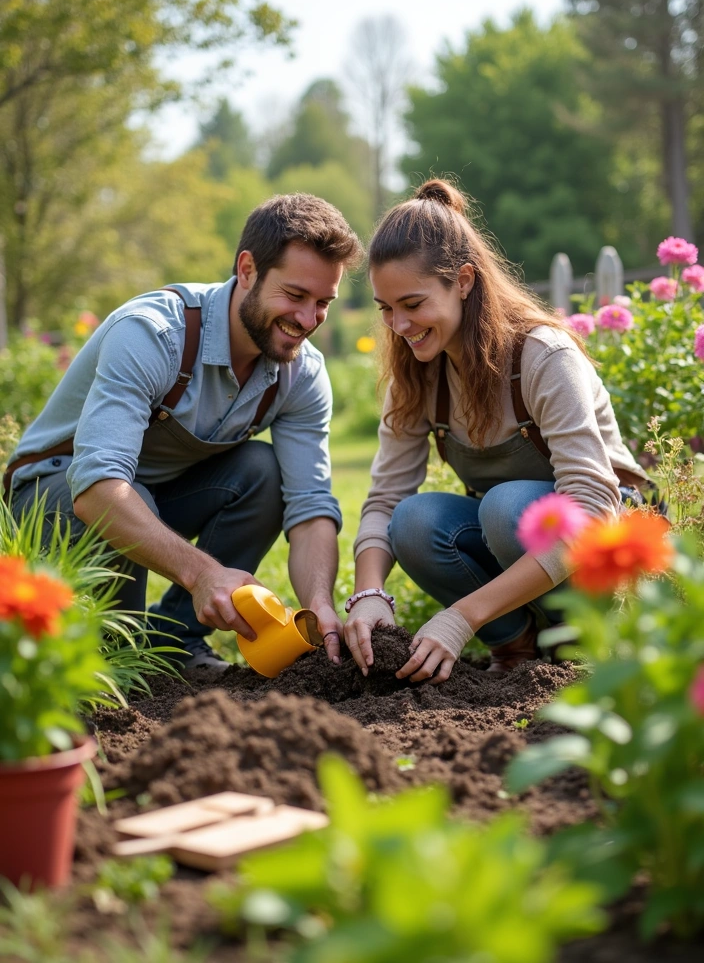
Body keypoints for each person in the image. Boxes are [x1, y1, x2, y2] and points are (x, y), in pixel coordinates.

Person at [5, 194, 363, 670]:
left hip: (151, 490)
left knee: (263, 471)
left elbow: (310, 505)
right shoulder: (153, 334)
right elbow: (95, 488)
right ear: (248, 270)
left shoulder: (301, 374)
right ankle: (125, 648)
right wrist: (202, 575)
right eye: (295, 296)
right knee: (115, 663)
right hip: (57, 489)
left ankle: (175, 639)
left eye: (323, 303)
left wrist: (319, 601)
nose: (307, 320)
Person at [343, 179, 648, 683]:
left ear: (463, 280)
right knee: (413, 521)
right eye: (386, 308)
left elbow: (593, 508)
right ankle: (516, 649)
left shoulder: (542, 355)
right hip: (519, 541)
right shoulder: (418, 373)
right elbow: (385, 501)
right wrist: (369, 594)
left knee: (507, 508)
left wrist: (460, 616)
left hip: (602, 546)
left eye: (413, 304)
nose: (397, 324)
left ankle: (582, 637)